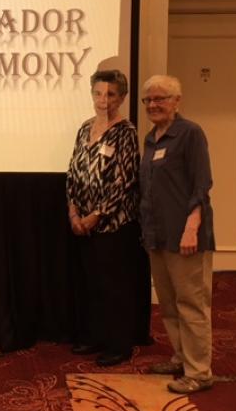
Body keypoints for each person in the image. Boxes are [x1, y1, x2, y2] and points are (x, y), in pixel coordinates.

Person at [66, 69, 150, 367]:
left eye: (111, 94)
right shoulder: (85, 128)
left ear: (122, 98)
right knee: (90, 283)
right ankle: (94, 336)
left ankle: (119, 344)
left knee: (114, 286)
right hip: (83, 224)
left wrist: (95, 216)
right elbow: (73, 172)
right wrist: (74, 211)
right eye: (99, 93)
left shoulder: (125, 132)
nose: (104, 100)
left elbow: (123, 181)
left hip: (113, 225)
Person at [140, 75, 215, 394]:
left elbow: (202, 184)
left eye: (161, 98)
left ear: (177, 100)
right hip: (157, 235)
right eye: (149, 100)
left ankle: (199, 372)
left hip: (186, 237)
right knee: (169, 304)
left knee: (192, 304)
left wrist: (191, 227)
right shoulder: (151, 138)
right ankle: (182, 358)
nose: (154, 105)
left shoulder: (190, 133)